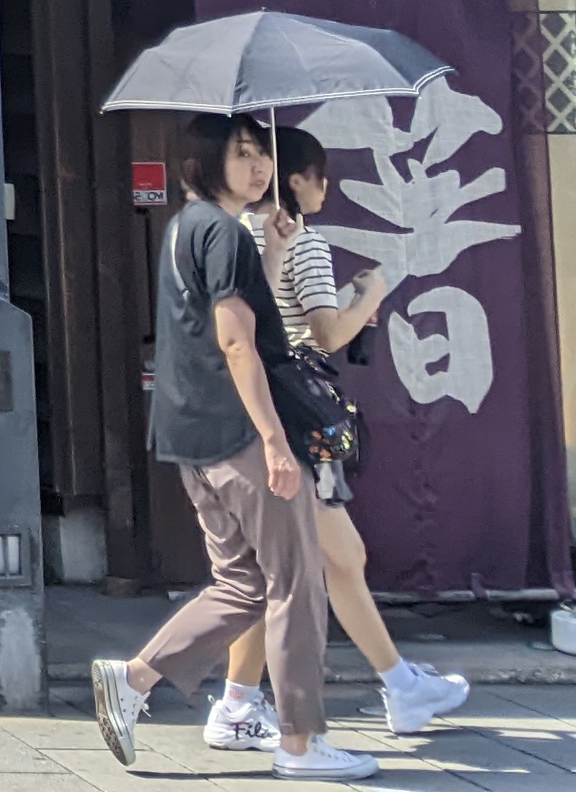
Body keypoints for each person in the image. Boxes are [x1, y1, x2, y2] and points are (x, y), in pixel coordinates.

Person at [88, 114, 375, 781]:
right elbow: (236, 341)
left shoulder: (191, 228)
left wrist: (270, 256)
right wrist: (275, 441)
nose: (260, 169)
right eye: (242, 155)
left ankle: (131, 682)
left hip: (192, 433)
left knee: (243, 583)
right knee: (297, 585)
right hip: (243, 434)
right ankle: (302, 743)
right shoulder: (223, 232)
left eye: (261, 155)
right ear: (205, 163)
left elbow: (224, 316)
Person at [205, 125, 470, 750]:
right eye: (318, 173)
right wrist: (372, 293)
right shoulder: (304, 243)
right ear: (298, 180)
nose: (326, 186)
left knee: (310, 565)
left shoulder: (236, 234)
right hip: (295, 421)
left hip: (246, 415)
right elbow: (325, 334)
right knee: (305, 567)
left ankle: (386, 685)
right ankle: (378, 691)